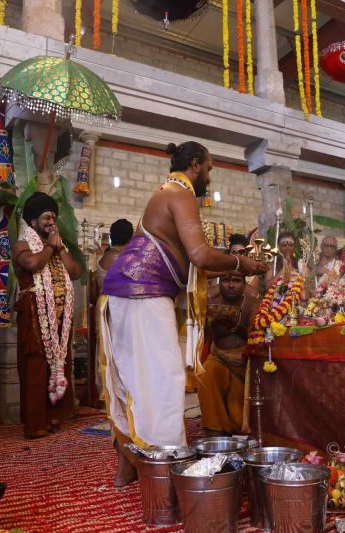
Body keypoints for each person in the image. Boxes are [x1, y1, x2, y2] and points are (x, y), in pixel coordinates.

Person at [99, 141, 265, 486]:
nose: (210, 177)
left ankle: (131, 460)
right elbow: (200, 255)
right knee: (163, 380)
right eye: (209, 169)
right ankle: (165, 467)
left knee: (137, 380)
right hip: (141, 292)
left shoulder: (168, 192)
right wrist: (240, 263)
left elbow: (194, 261)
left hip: (130, 293)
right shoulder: (180, 193)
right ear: (195, 164)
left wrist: (234, 263)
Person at [12, 192, 83, 438]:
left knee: (60, 364)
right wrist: (50, 246)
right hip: (35, 316)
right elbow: (32, 264)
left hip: (61, 319)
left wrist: (59, 248)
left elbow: (75, 272)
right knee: (37, 367)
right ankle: (35, 424)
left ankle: (53, 417)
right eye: (46, 217)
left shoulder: (57, 247)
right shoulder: (22, 245)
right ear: (33, 221)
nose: (51, 221)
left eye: (54, 216)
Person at [197, 272, 259, 436]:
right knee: (206, 375)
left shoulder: (253, 304)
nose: (231, 285)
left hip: (244, 360)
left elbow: (256, 336)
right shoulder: (212, 303)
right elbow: (203, 334)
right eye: (226, 280)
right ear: (219, 283)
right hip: (218, 355)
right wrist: (211, 324)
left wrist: (236, 326)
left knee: (238, 405)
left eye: (236, 281)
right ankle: (215, 432)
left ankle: (239, 429)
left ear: (244, 285)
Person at [89, 218, 133, 405]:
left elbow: (92, 291)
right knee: (115, 349)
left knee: (107, 347)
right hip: (115, 305)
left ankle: (108, 392)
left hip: (106, 304)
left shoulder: (107, 256)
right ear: (130, 237)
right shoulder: (120, 258)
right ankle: (114, 394)